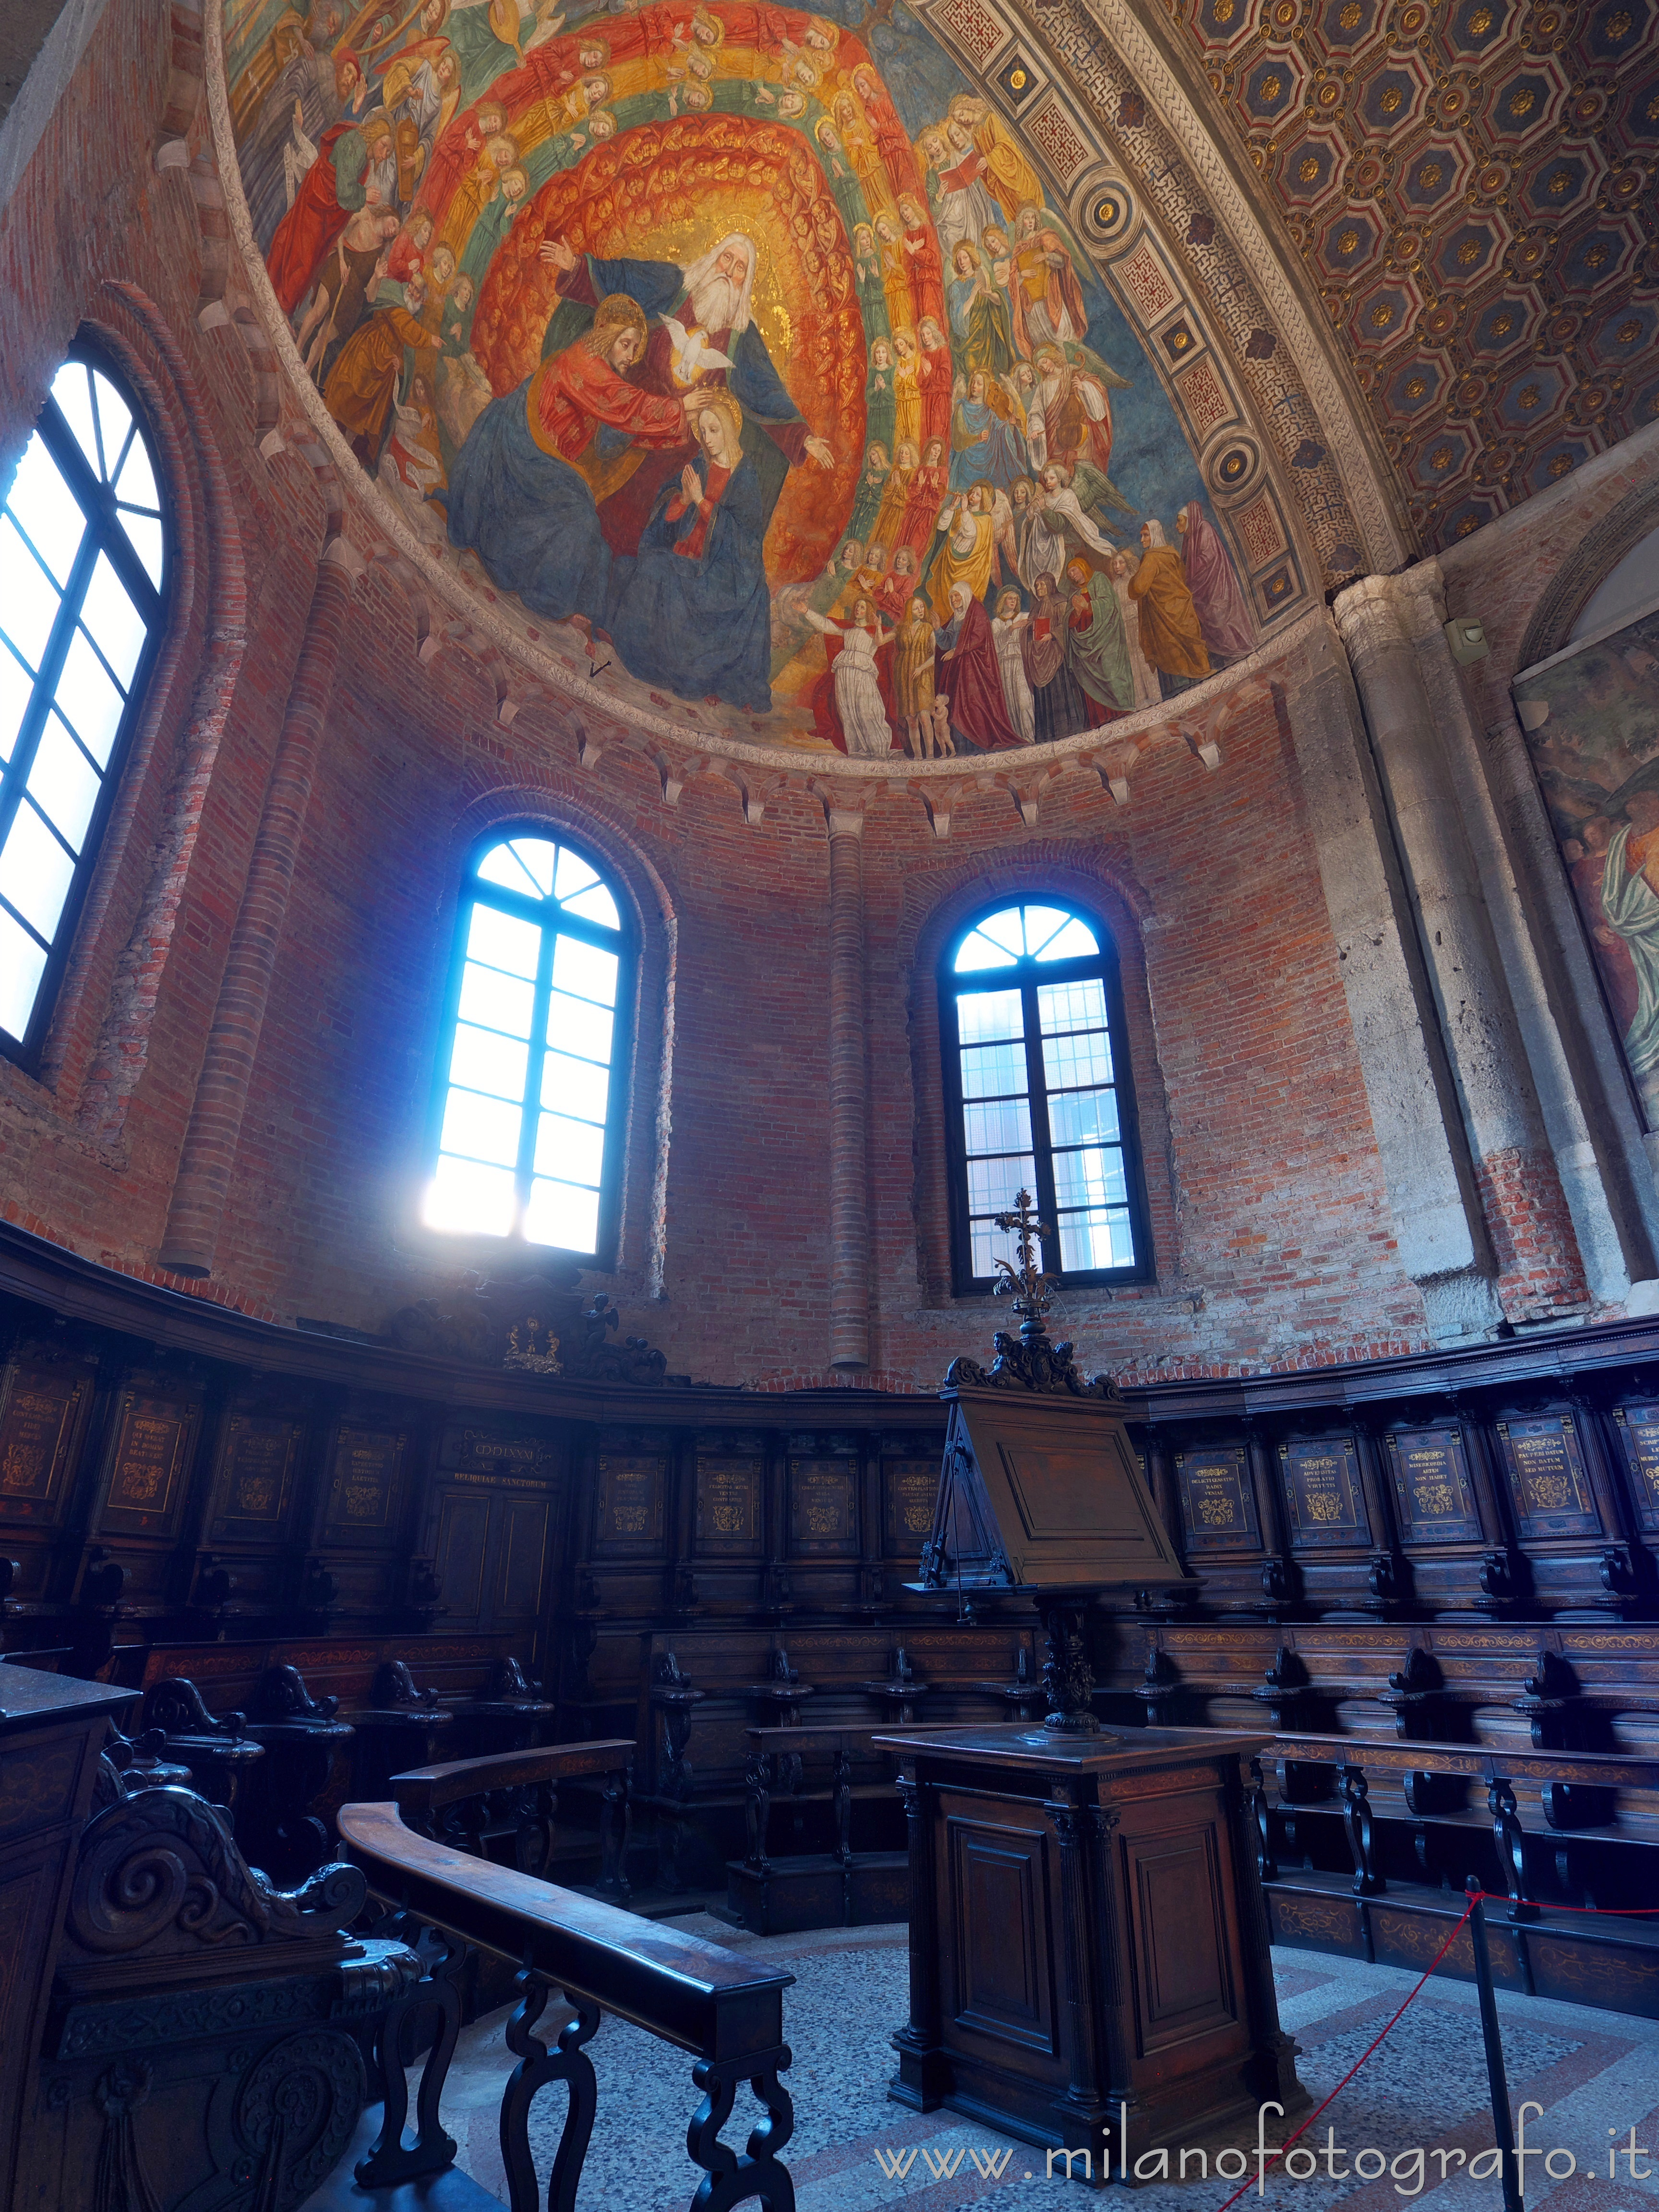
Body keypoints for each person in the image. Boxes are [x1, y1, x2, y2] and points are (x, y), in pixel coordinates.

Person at [538, 230, 835, 560]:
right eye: (727, 258)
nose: (729, 270)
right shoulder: (675, 285)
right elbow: (626, 278)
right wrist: (577, 267)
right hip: (632, 410)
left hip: (677, 444)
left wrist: (802, 437)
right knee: (588, 483)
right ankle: (557, 552)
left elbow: (766, 389)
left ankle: (608, 581)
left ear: (745, 282)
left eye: (740, 268)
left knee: (642, 512)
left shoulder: (742, 335)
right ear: (714, 256)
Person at [447, 291, 686, 626]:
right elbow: (625, 406)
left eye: (635, 349)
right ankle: (547, 599)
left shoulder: (599, 373)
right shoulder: (584, 363)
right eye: (626, 344)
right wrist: (680, 410)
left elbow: (612, 437)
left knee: (589, 534)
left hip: (545, 463)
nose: (631, 356)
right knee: (580, 521)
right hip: (521, 453)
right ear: (607, 336)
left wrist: (652, 434)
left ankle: (564, 602)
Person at [604, 389, 776, 711]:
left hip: (720, 574)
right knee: (644, 565)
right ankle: (641, 653)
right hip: (684, 555)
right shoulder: (699, 463)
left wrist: (701, 501)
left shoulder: (746, 476)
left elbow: (746, 540)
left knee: (661, 572)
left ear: (729, 430)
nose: (708, 439)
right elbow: (667, 513)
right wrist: (683, 500)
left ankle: (678, 670)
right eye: (703, 431)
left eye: (715, 431)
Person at [267, 99, 395, 315]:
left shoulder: (363, 153)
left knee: (301, 248)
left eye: (388, 153)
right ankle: (280, 301)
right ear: (375, 134)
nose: (384, 154)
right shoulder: (356, 145)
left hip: (323, 204)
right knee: (302, 253)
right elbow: (345, 195)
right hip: (319, 200)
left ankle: (279, 297)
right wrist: (365, 195)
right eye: (384, 147)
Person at [322, 267, 441, 466]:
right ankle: (335, 424)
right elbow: (404, 327)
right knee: (352, 384)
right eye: (411, 284)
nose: (411, 291)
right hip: (371, 345)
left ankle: (360, 447)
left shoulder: (416, 314)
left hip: (387, 363)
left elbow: (405, 349)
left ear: (423, 298)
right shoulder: (394, 296)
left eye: (417, 290)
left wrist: (399, 363)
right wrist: (429, 338)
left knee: (376, 409)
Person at [1128, 519, 1211, 697]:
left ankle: (1181, 691)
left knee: (1173, 655)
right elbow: (1182, 578)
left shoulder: (1152, 558)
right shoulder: (1172, 553)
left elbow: (1138, 589)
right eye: (1141, 536)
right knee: (1191, 645)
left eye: (1145, 535)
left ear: (1155, 535)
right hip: (1183, 608)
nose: (1142, 540)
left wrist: (1132, 580)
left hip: (1164, 617)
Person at [805, 596, 895, 756]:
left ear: (869, 612)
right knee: (846, 711)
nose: (858, 610)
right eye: (857, 606)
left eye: (862, 607)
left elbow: (883, 641)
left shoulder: (874, 631)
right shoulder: (847, 629)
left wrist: (878, 626)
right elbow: (826, 625)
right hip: (844, 673)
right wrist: (806, 611)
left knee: (868, 710)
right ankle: (856, 750)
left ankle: (878, 750)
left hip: (863, 673)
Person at [937, 581, 1019, 749]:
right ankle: (962, 747)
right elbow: (946, 643)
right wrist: (938, 629)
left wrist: (957, 651)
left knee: (973, 705)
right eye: (951, 597)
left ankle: (977, 745)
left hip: (974, 668)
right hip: (957, 669)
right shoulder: (957, 618)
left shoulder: (977, 611)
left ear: (965, 595)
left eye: (956, 596)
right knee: (956, 706)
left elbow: (979, 638)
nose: (953, 600)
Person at [1177, 502, 1255, 666]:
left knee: (1219, 617)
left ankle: (1236, 650)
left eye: (1180, 521)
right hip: (1201, 588)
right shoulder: (1189, 538)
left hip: (1216, 584)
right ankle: (1223, 654)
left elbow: (1208, 557)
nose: (1177, 525)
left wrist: (1190, 574)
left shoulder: (1204, 528)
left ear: (1190, 519)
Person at [1008, 202, 1088, 357]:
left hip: (1051, 296)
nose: (1030, 221)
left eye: (1033, 218)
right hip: (1031, 304)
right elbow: (1012, 283)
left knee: (1061, 336)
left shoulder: (1046, 237)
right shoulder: (1018, 249)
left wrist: (1047, 256)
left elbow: (1064, 261)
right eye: (1027, 218)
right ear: (1021, 222)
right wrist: (1021, 275)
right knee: (1042, 343)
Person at [1022, 569, 1091, 742]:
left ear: (1051, 585)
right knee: (1045, 697)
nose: (1038, 588)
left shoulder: (1060, 602)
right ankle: (1047, 735)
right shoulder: (1036, 608)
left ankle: (1070, 728)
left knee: (1062, 691)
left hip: (1057, 655)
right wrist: (1029, 629)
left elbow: (1067, 624)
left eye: (1042, 585)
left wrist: (1052, 635)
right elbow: (1029, 631)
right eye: (1037, 585)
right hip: (1040, 658)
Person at [1065, 556, 1133, 721]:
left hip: (1107, 639)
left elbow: (1109, 605)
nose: (1073, 575)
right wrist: (1077, 612)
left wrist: (1088, 606)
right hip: (1085, 650)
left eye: (1074, 570)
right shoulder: (1074, 594)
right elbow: (1069, 623)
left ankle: (1124, 712)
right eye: (1069, 574)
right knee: (1090, 683)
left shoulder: (1099, 579)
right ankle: (1101, 719)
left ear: (1082, 566)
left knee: (1113, 675)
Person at [949, 368, 1027, 494]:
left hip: (990, 458)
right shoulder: (962, 408)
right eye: (973, 382)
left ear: (986, 388)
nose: (974, 386)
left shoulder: (991, 410)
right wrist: (976, 438)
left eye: (979, 384)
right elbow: (958, 442)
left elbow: (1000, 430)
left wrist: (1010, 425)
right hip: (967, 462)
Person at [929, 482, 999, 616]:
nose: (973, 496)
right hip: (949, 562)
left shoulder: (986, 519)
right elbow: (942, 527)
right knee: (943, 599)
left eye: (978, 495)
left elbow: (970, 532)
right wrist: (952, 507)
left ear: (983, 500)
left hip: (969, 568)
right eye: (973, 492)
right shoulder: (960, 512)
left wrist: (965, 510)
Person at [946, 241, 1012, 379]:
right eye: (959, 259)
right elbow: (959, 315)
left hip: (986, 335)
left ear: (972, 258)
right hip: (968, 338)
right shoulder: (956, 286)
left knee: (987, 374)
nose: (962, 262)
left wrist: (987, 294)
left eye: (965, 258)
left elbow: (999, 301)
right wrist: (973, 294)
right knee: (972, 371)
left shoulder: (982, 277)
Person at [1108, 552, 1161, 709]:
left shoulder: (1134, 579)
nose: (1118, 567)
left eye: (1121, 563)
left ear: (1128, 563)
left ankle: (1155, 696)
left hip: (1139, 621)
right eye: (1115, 564)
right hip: (1124, 625)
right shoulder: (1116, 585)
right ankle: (1140, 699)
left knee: (1145, 657)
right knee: (1132, 661)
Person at [892, 592, 938, 757]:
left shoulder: (928, 628)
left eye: (921, 607)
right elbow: (880, 641)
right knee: (911, 720)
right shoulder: (901, 629)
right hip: (904, 675)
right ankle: (918, 757)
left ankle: (931, 757)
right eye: (916, 608)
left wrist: (921, 668)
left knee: (925, 717)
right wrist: (877, 626)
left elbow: (935, 655)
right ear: (909, 611)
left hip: (923, 674)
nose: (920, 610)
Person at [991, 587, 1034, 742]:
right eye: (1010, 598)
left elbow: (1035, 633)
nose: (1013, 602)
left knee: (1024, 702)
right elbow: (995, 646)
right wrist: (1011, 628)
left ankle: (1030, 737)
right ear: (1003, 600)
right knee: (1011, 703)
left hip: (1021, 661)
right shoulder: (996, 623)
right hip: (1005, 664)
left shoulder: (1024, 616)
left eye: (1015, 599)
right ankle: (1020, 738)